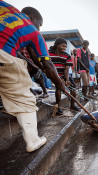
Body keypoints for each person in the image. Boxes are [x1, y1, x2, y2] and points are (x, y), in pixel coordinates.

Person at [0, 2, 65, 152]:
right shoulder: (33, 32)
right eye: (39, 24)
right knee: (25, 98)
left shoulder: (5, 7)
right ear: (32, 17)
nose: (39, 28)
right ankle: (33, 140)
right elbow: (48, 65)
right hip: (4, 53)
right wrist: (60, 85)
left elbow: (36, 59)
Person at [49, 38, 80, 115]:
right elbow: (47, 66)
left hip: (63, 74)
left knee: (73, 87)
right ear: (57, 45)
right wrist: (56, 77)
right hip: (54, 75)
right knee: (58, 88)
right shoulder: (49, 54)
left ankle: (72, 106)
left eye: (65, 46)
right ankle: (58, 108)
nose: (64, 48)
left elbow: (66, 70)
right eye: (63, 46)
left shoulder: (67, 56)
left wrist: (67, 80)